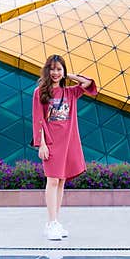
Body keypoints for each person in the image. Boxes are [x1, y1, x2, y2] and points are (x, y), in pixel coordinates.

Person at [31, 54, 98, 240]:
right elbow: (38, 119)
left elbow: (88, 84)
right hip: (51, 142)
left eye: (59, 69)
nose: (55, 73)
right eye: (52, 69)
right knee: (52, 180)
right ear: (47, 70)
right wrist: (41, 144)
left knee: (61, 181)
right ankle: (51, 223)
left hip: (68, 142)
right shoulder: (40, 92)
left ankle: (55, 222)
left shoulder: (70, 92)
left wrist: (71, 76)